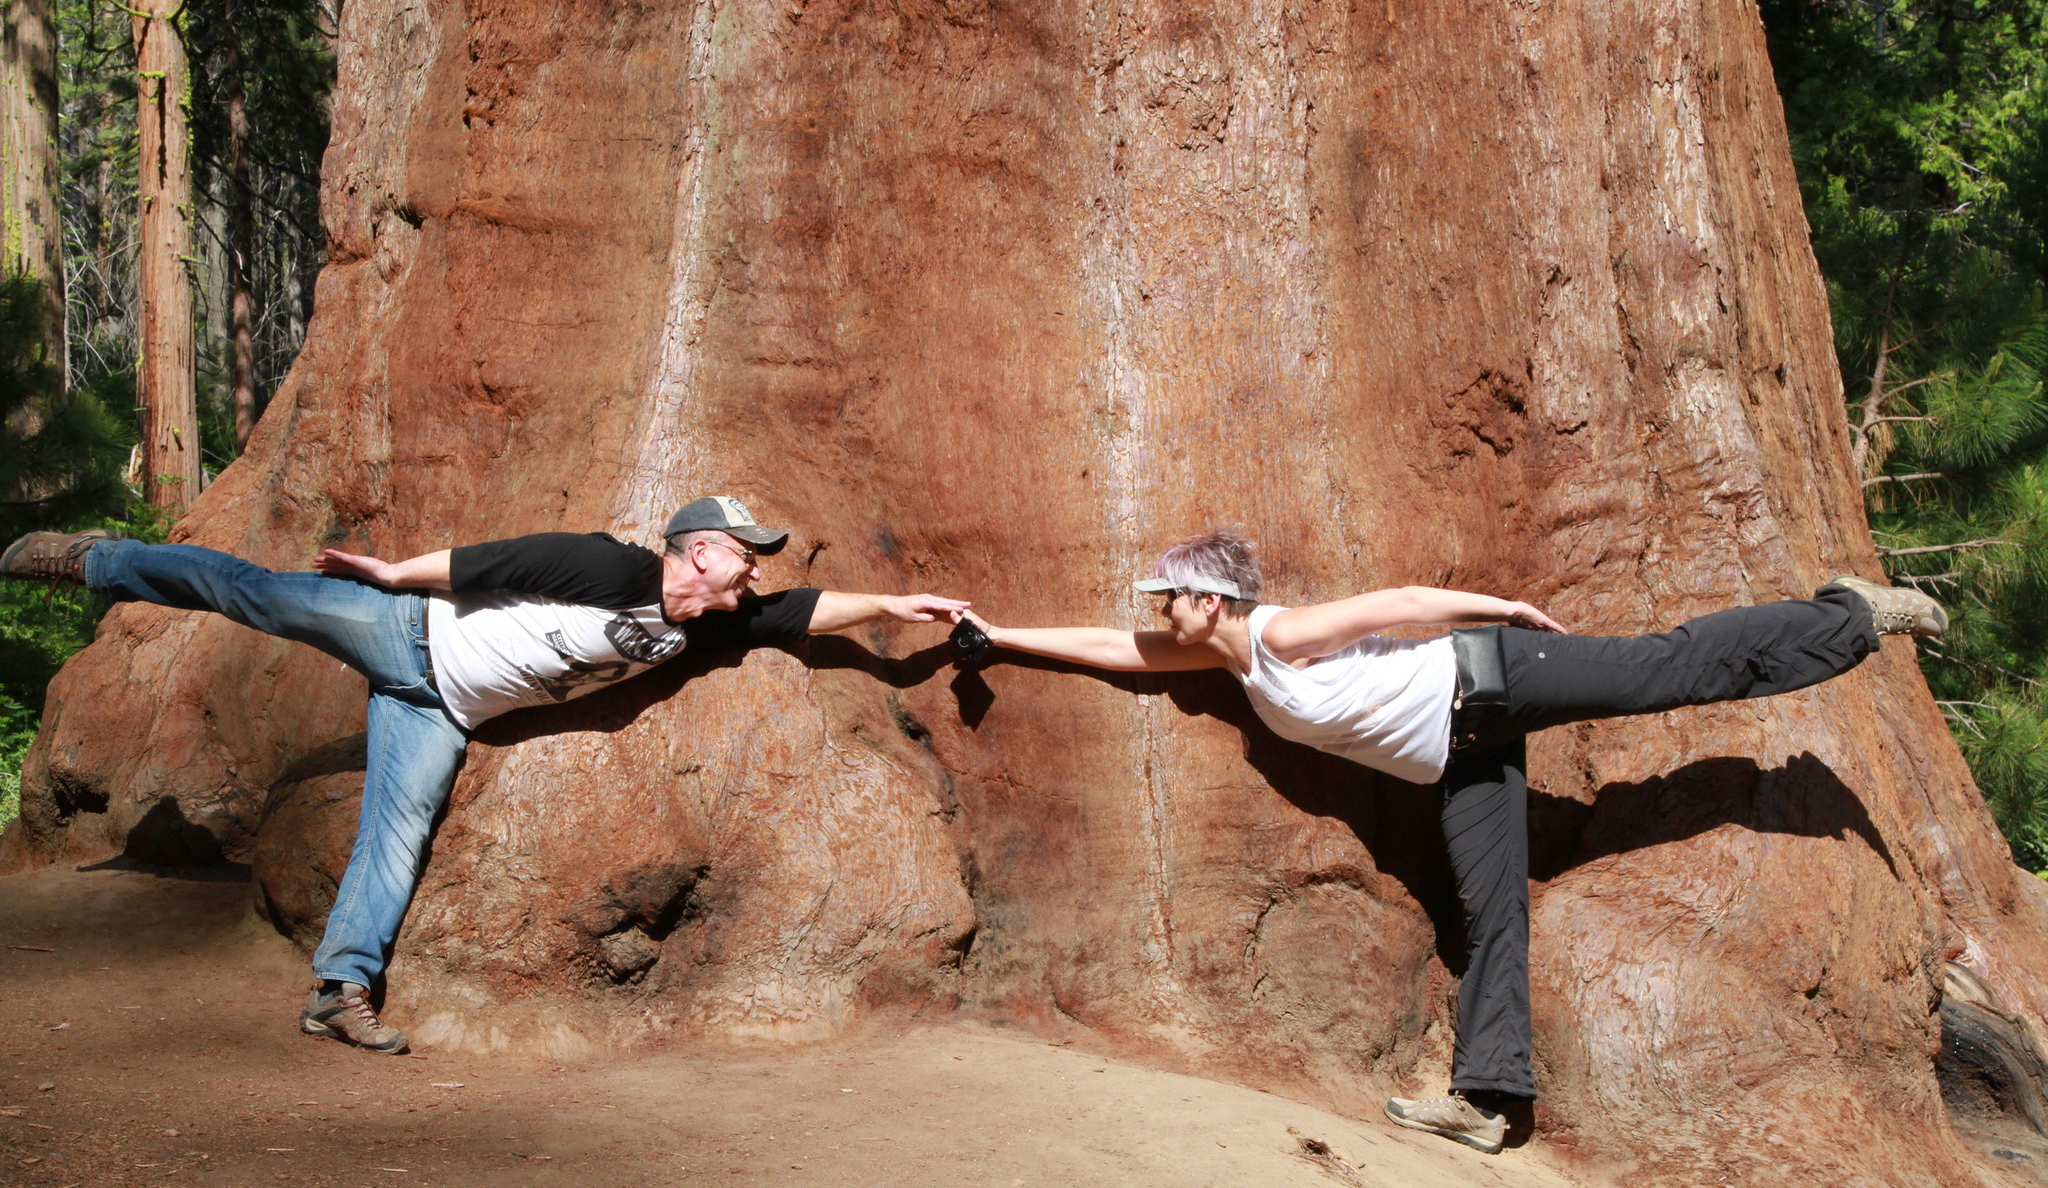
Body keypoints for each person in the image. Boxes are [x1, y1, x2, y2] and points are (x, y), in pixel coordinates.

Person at [956, 529, 1944, 1155]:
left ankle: (1848, 616)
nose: (1155, 612)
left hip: (1493, 673)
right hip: (1465, 747)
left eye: (1165, 597)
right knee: (1486, 904)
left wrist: (1498, 608)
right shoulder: (1225, 660)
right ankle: (1487, 1099)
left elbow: (1393, 606)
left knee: (1664, 668)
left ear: (1209, 601)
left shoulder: (1279, 637)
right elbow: (1112, 648)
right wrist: (996, 638)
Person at [0, 495, 967, 1056]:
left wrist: (896, 600)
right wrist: (386, 576)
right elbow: (487, 560)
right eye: (746, 558)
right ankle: (101, 561)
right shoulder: (610, 565)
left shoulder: (714, 622)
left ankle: (339, 988)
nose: (756, 574)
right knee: (252, 593)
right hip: (404, 628)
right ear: (701, 549)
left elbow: (808, 609)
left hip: (437, 708)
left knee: (400, 834)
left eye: (757, 566)